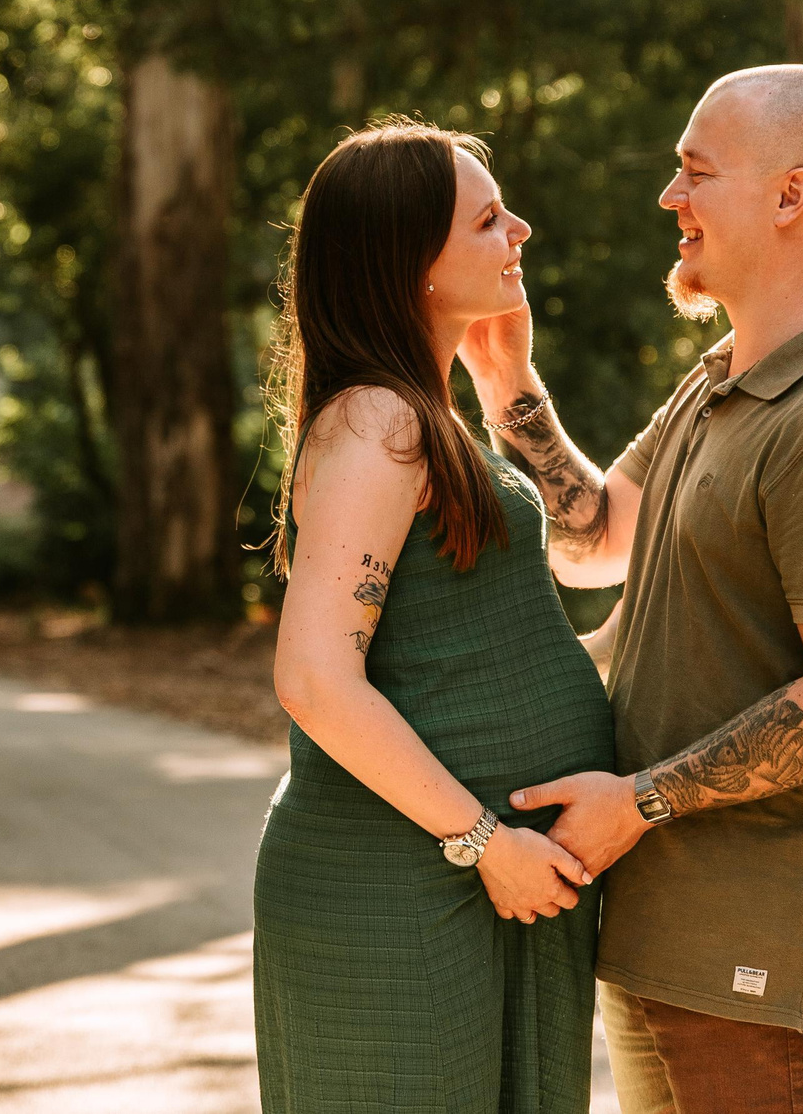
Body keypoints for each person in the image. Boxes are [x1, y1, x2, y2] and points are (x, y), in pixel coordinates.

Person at [459, 65, 803, 1114]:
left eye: (694, 173)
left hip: (760, 947)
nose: (669, 200)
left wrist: (638, 803)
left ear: (789, 196)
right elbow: (593, 543)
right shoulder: (725, 380)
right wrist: (505, 381)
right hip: (667, 935)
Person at [252, 119, 617, 1114]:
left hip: (488, 874)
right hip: (402, 884)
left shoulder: (430, 416)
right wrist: (480, 841)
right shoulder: (378, 424)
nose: (522, 232)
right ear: (410, 261)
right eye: (490, 220)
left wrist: (510, 383)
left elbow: (600, 545)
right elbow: (315, 677)